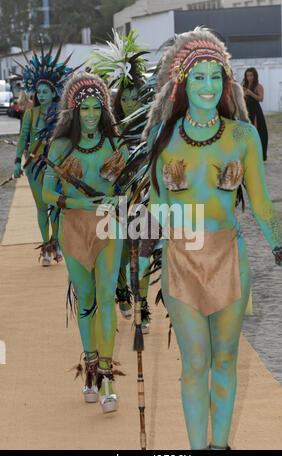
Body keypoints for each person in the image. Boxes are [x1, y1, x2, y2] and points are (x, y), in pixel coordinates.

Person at [140, 27, 282, 450]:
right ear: (182, 83)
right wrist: (140, 261)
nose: (208, 86)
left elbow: (263, 205)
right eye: (199, 76)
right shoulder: (163, 138)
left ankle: (219, 446)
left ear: (227, 82)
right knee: (195, 362)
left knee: (225, 360)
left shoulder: (243, 137)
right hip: (180, 259)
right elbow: (155, 206)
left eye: (216, 76)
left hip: (230, 259)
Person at [42, 72, 128, 413]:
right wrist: (81, 203)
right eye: (85, 108)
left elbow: (127, 190)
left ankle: (107, 377)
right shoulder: (61, 146)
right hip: (74, 227)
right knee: (88, 299)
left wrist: (120, 200)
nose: (91, 114)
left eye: (97, 107)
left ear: (105, 108)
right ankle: (90, 369)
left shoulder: (115, 144)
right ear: (73, 111)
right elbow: (49, 193)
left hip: (109, 226)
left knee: (107, 297)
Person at [89, 30, 152, 331]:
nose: (129, 102)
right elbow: (104, 171)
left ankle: (143, 307)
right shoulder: (111, 133)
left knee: (143, 254)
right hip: (118, 203)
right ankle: (122, 291)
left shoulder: (153, 128)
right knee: (122, 257)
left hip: (147, 202)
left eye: (134, 96)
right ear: (117, 101)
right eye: (124, 98)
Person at [13, 44, 73, 265]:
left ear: (54, 92)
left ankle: (56, 242)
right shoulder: (30, 114)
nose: (41, 95)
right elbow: (22, 138)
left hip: (56, 166)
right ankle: (45, 248)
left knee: (56, 205)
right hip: (34, 166)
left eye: (45, 91)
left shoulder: (61, 114)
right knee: (41, 207)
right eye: (39, 91)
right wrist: (16, 162)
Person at [242, 67, 268, 161]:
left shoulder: (258, 86)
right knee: (246, 134)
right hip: (246, 111)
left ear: (255, 76)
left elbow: (261, 99)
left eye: (251, 75)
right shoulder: (243, 85)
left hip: (255, 111)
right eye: (247, 75)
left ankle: (259, 155)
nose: (249, 77)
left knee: (257, 133)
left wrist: (251, 93)